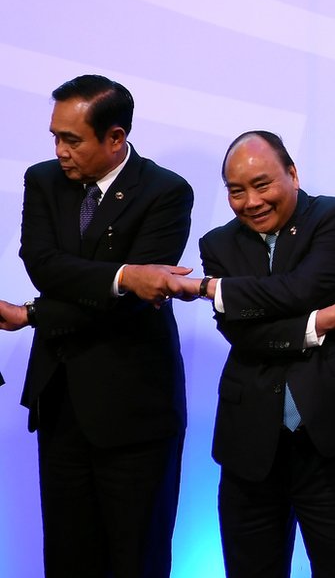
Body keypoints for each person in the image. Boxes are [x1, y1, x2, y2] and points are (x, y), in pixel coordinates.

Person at [0, 75, 193, 577]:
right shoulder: (43, 180)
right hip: (61, 397)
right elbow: (41, 263)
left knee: (137, 556)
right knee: (66, 556)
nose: (60, 151)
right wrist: (124, 274)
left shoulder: (166, 191)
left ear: (115, 138)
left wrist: (33, 314)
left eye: (72, 139)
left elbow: (131, 304)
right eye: (55, 137)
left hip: (136, 406)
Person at [171, 131, 335, 577]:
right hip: (250, 443)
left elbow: (309, 287)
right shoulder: (218, 244)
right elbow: (243, 334)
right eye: (236, 191)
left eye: (262, 185)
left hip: (333, 438)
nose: (251, 201)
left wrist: (213, 289)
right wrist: (323, 321)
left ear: (293, 174)